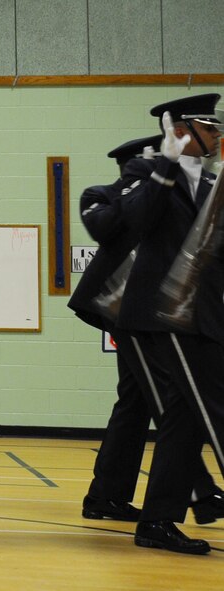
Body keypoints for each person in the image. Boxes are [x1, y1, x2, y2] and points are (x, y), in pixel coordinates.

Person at [69, 135, 223, 524]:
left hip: (162, 312)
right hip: (122, 307)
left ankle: (106, 495)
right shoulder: (102, 195)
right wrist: (148, 181)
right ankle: (200, 493)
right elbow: (112, 228)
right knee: (162, 394)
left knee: (138, 401)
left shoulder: (179, 192)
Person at [117, 93, 224, 554]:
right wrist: (164, 167)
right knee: (217, 409)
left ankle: (157, 520)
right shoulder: (146, 173)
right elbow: (132, 223)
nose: (218, 134)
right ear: (182, 130)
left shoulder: (211, 182)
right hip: (167, 315)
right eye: (209, 127)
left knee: (185, 420)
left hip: (204, 314)